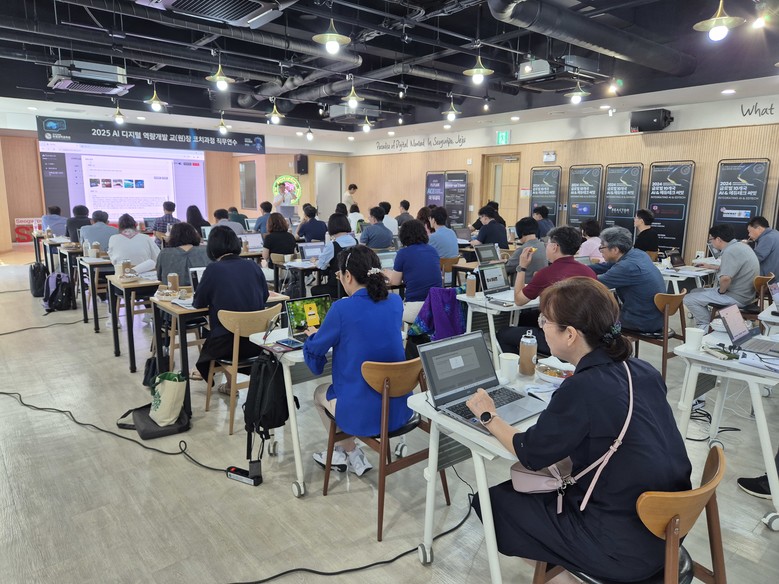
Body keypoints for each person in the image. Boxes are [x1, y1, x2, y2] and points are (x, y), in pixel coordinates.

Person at [466, 277, 692, 582]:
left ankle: (569, 574)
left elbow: (530, 453)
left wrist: (488, 416)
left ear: (570, 334)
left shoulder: (583, 387)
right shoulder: (641, 369)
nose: (542, 327)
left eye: (545, 321)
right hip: (667, 528)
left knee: (493, 502)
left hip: (621, 547)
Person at [304, 245, 407, 476]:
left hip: (362, 413)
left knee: (319, 393)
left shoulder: (342, 309)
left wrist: (313, 336)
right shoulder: (394, 302)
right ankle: (349, 452)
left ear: (348, 276)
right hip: (397, 407)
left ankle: (344, 450)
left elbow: (317, 350)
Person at [496, 226, 596, 355]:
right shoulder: (589, 271)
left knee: (503, 333)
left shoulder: (547, 274)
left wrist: (522, 267)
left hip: (560, 338)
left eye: (547, 244)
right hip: (584, 336)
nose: (546, 247)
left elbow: (519, 300)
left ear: (554, 247)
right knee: (525, 318)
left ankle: (525, 364)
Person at [193, 226, 270, 381]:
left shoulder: (213, 269)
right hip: (257, 342)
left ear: (212, 247)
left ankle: (226, 383)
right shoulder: (252, 265)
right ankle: (229, 385)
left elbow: (198, 303)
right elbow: (265, 296)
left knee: (218, 331)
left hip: (226, 346)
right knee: (228, 328)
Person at [591, 226, 666, 332]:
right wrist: (581, 268)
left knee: (593, 318)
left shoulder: (627, 266)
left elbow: (595, 283)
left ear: (615, 250)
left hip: (641, 321)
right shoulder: (639, 254)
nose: (600, 251)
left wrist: (574, 274)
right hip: (655, 318)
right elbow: (606, 266)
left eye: (602, 247)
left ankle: (611, 343)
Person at [684, 224, 760, 329]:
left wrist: (721, 292)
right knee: (695, 291)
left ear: (718, 239)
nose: (711, 242)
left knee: (688, 298)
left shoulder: (730, 251)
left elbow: (725, 279)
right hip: (748, 295)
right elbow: (736, 267)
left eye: (711, 239)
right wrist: (712, 267)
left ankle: (706, 326)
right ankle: (709, 320)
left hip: (736, 297)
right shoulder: (741, 246)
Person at [384, 220, 441, 323]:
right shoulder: (433, 250)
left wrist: (388, 274)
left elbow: (395, 282)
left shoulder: (403, 253)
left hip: (416, 309)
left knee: (387, 305)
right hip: (437, 307)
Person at [312, 213, 358, 299]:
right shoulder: (356, 241)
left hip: (338, 286)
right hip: (354, 285)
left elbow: (321, 266)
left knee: (315, 290)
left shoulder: (332, 245)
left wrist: (315, 261)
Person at [747, 216, 779, 281]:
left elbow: (756, 258)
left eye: (750, 231)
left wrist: (745, 248)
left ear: (759, 229)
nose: (749, 235)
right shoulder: (775, 233)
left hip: (766, 280)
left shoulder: (767, 238)